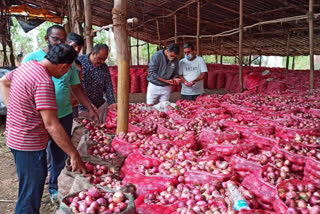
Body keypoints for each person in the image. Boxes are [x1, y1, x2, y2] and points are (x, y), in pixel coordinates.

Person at [0, 44, 86, 214]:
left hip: (16, 138)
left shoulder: (27, 66)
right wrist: (73, 153)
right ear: (64, 67)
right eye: (68, 70)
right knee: (30, 193)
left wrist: (14, 110)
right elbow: (52, 125)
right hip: (28, 144)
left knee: (29, 187)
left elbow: (4, 81)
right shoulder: (44, 81)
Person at [22, 26, 98, 202]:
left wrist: (90, 108)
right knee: (38, 155)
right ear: (47, 38)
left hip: (63, 113)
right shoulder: (32, 59)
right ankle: (35, 189)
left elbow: (76, 86)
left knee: (59, 154)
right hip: (39, 117)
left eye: (63, 39)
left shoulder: (68, 59)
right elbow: (10, 82)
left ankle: (55, 189)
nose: (60, 43)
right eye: (56, 39)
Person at [77, 44, 116, 113]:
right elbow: (74, 86)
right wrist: (87, 104)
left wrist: (111, 102)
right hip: (81, 107)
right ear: (93, 53)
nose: (102, 62)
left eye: (104, 59)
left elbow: (108, 85)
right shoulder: (79, 62)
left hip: (99, 105)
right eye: (100, 58)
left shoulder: (104, 67)